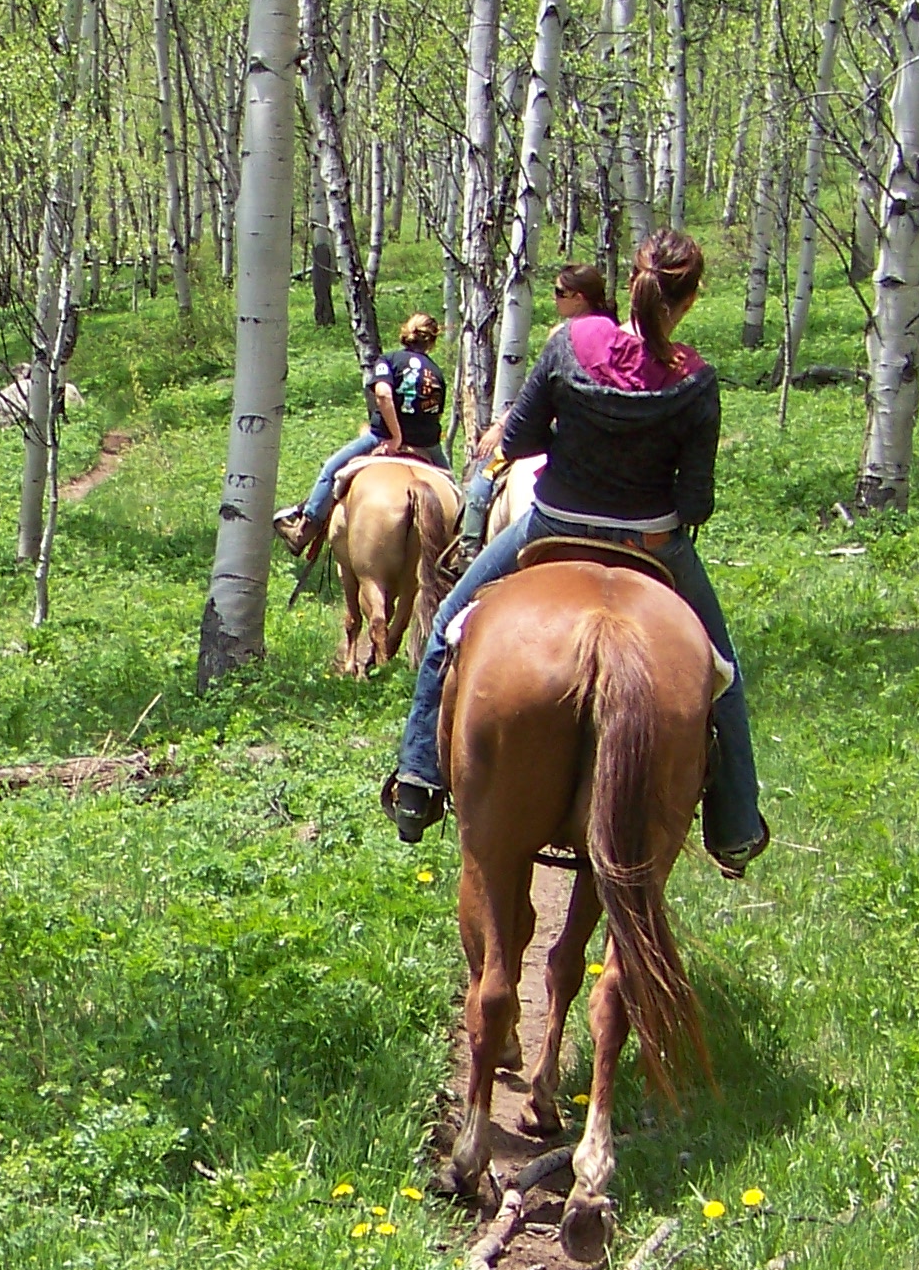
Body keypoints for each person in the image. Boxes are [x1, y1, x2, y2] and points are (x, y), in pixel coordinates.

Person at [383, 228, 771, 875]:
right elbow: (697, 502)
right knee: (721, 674)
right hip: (653, 541)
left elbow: (527, 435)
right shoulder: (696, 378)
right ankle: (733, 826)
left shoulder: (572, 342)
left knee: (450, 625)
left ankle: (420, 778)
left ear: (632, 286)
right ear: (692, 298)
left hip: (553, 524)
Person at [454, 264, 610, 570]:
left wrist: (501, 426)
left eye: (559, 293)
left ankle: (468, 552)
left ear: (579, 298)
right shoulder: (618, 333)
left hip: (557, 434)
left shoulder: (563, 335)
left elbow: (537, 394)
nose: (554, 299)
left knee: (484, 476)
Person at [278, 316, 447, 560]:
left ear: (405, 334)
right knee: (457, 495)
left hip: (382, 438)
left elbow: (383, 394)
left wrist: (396, 437)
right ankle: (461, 547)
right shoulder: (436, 372)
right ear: (432, 341)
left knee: (331, 469)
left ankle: (303, 531)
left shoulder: (387, 360)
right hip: (427, 445)